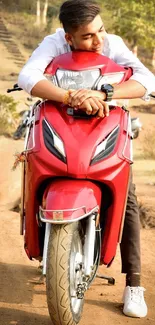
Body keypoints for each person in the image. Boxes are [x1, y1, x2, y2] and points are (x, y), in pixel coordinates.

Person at [18, 0, 155, 318]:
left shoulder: (114, 44)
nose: (98, 41)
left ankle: (133, 284)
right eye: (88, 37)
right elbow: (28, 76)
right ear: (68, 38)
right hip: (64, 120)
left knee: (128, 198)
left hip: (107, 122)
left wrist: (105, 93)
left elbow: (147, 80)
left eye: (100, 31)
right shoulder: (53, 42)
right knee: (35, 164)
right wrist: (70, 95)